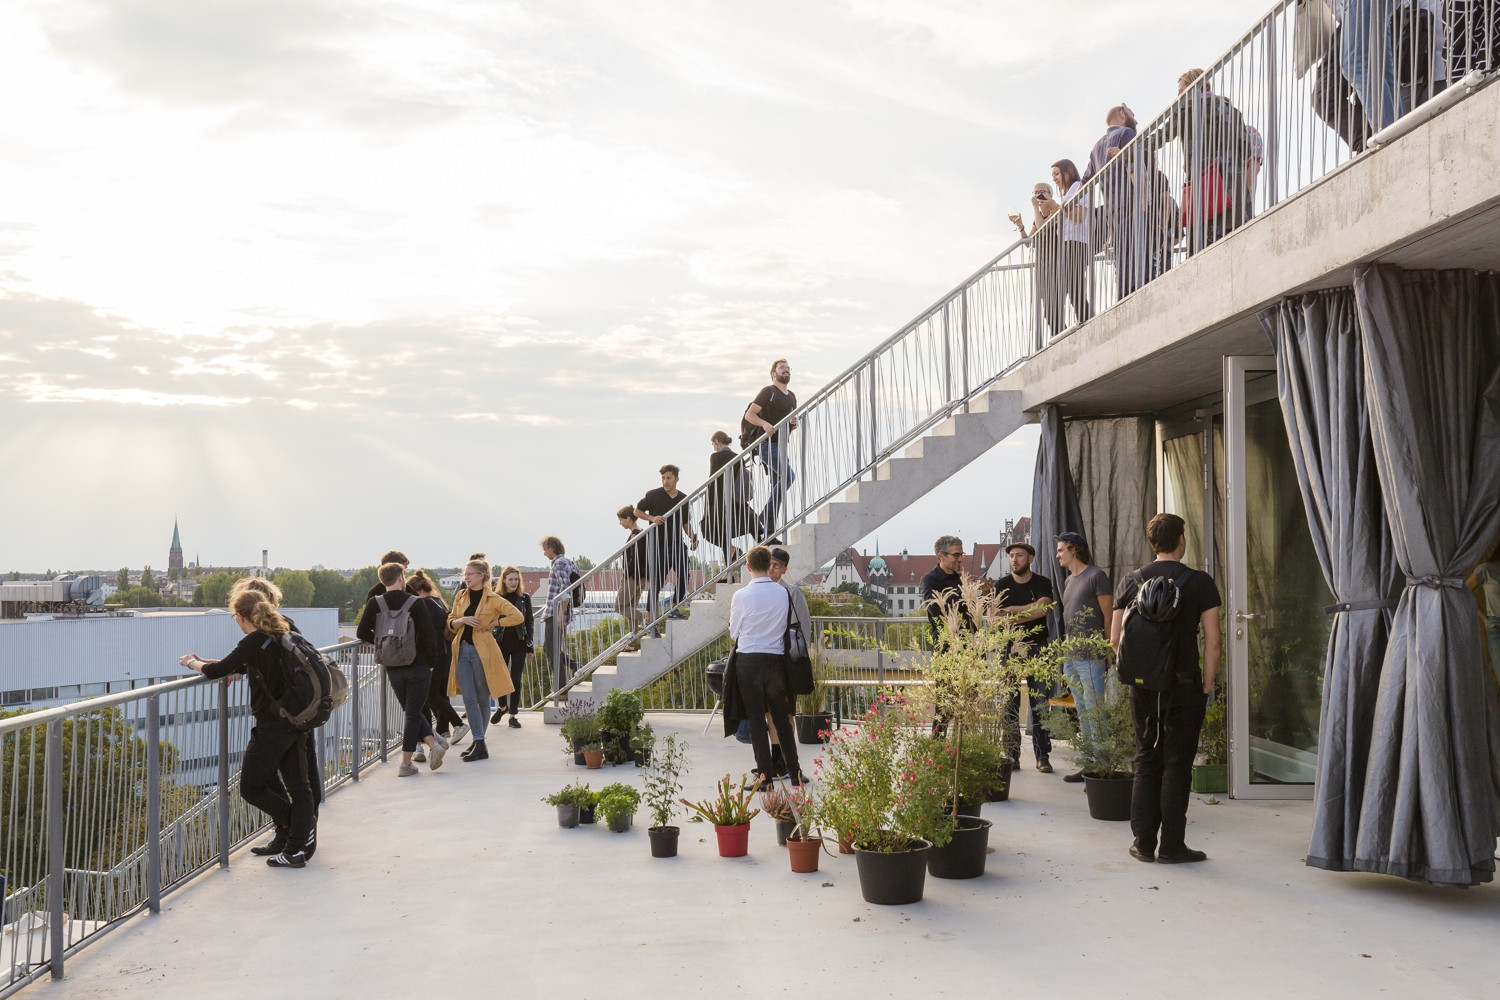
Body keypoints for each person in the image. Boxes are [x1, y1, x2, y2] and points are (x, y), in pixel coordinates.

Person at [1111, 513, 1222, 864]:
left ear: (1152, 542)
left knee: (1146, 757)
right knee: (1178, 762)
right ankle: (1172, 846)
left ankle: (1143, 843)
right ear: (1181, 541)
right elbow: (1214, 642)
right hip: (1185, 684)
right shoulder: (1200, 582)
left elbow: (1115, 640)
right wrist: (1206, 683)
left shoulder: (1130, 581)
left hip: (1144, 687)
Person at [179, 590, 315, 869]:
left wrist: (191, 662)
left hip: (272, 724)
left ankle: (296, 828)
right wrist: (209, 662)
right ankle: (295, 849)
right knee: (300, 787)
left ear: (241, 616)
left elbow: (218, 670)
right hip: (296, 720)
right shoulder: (280, 633)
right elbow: (235, 664)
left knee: (251, 787)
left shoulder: (253, 640)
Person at [227, 576, 323, 856]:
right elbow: (261, 663)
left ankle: (300, 836)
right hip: (292, 716)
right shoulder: (275, 629)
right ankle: (291, 837)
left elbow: (272, 664)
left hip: (285, 718)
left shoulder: (275, 629)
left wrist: (202, 664)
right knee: (291, 781)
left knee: (300, 783)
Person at [356, 562, 449, 776]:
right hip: (418, 665)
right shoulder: (415, 602)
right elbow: (428, 635)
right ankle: (406, 763)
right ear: (401, 578)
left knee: (410, 710)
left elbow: (362, 632)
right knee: (413, 713)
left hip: (392, 666)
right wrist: (431, 662)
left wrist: (380, 642)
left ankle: (433, 744)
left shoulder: (375, 602)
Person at [727, 546, 802, 787]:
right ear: (769, 564)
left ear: (748, 567)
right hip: (776, 661)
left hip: (749, 661)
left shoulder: (741, 596)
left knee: (757, 721)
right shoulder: (783, 593)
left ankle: (764, 778)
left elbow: (734, 632)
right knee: (781, 720)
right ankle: (795, 774)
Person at [445, 554, 524, 762]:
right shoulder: (461, 595)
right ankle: (478, 741)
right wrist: (462, 620)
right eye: (465, 574)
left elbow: (518, 616)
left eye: (470, 574)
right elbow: (451, 620)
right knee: (468, 698)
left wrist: (496, 623)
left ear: (481, 576)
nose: (466, 577)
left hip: (483, 651)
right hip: (461, 650)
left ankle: (479, 742)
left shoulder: (493, 598)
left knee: (482, 698)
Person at [1165, 69, 1254, 252]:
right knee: (1240, 250)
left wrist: (1130, 153)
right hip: (1235, 195)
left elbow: (1162, 136)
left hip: (1203, 192)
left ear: (1193, 88)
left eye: (1181, 92)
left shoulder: (1185, 111)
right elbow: (1246, 152)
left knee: (1202, 251)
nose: (1179, 98)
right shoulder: (1232, 111)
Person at [993, 542, 1058, 773]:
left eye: (1019, 555)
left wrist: (1012, 611)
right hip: (1009, 649)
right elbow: (996, 618)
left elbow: (1043, 609)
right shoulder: (1001, 585)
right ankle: (1012, 755)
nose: (1014, 559)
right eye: (1011, 556)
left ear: (1030, 558)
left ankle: (1042, 756)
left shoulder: (1042, 582)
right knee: (1009, 704)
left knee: (1040, 702)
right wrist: (1028, 612)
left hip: (1038, 648)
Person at [1056, 530, 1114, 783]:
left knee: (1094, 711)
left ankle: (1102, 768)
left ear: (1074, 549)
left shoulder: (1096, 576)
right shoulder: (1069, 581)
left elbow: (1109, 616)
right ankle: (1090, 764)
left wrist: (1108, 649)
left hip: (1091, 657)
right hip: (1071, 657)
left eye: (1061, 550)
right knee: (1082, 711)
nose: (1057, 555)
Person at [1080, 105, 1142, 299]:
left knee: (1122, 252)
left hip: (1111, 208)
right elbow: (1132, 166)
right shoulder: (1127, 133)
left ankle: (1123, 293)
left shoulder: (1096, 147)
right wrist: (1142, 197)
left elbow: (1085, 182)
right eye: (1132, 114)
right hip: (1130, 201)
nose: (1135, 119)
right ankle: (1135, 290)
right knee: (1135, 248)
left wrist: (1069, 202)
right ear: (1122, 114)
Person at [407, 570, 467, 749]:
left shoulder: (422, 605)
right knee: (441, 693)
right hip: (445, 653)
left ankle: (458, 724)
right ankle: (443, 730)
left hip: (432, 655)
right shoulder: (438, 601)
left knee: (430, 695)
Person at [741, 360, 798, 541]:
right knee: (788, 477)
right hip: (766, 444)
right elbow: (750, 415)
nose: (786, 370)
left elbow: (790, 423)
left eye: (788, 367)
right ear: (773, 374)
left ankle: (769, 532)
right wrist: (764, 424)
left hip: (781, 446)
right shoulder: (768, 392)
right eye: (782, 368)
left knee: (777, 487)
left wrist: (793, 424)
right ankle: (765, 515)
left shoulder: (792, 396)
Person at [634, 465, 699, 621]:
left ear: (676, 479)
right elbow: (637, 511)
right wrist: (652, 518)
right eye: (663, 478)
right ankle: (650, 618)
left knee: (684, 575)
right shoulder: (653, 495)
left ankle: (674, 608)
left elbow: (685, 523)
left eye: (669, 478)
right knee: (657, 581)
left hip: (677, 544)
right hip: (657, 545)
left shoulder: (683, 499)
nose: (665, 481)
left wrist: (693, 537)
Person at [1009, 182, 1065, 344]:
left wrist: (1035, 208)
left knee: (1054, 305)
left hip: (1055, 263)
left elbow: (1042, 228)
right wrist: (1021, 227)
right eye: (1035, 193)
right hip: (1042, 264)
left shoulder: (1055, 209)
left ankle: (1061, 336)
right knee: (1048, 308)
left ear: (1050, 194)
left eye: (1042, 192)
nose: (1038, 195)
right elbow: (1029, 242)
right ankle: (1059, 336)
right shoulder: (1038, 216)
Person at [701, 431, 756, 570]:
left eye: (713, 444)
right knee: (746, 524)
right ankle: (734, 555)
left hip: (719, 501)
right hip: (736, 500)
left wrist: (708, 504)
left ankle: (731, 553)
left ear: (717, 442)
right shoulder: (738, 457)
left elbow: (712, 480)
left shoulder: (715, 456)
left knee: (707, 529)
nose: (714, 447)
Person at [1051, 159, 1094, 329]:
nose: (1054, 179)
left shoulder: (1078, 186)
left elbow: (1080, 216)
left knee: (1075, 286)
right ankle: (1085, 320)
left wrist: (1058, 207)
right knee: (1072, 287)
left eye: (1057, 174)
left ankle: (1087, 321)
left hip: (1077, 242)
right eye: (1053, 176)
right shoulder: (1069, 192)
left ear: (1068, 171)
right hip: (1069, 243)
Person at [491, 565, 534, 727]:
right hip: (500, 642)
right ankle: (502, 707)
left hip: (519, 643)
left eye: (516, 579)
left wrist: (530, 648)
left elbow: (529, 623)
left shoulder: (524, 598)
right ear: (504, 580)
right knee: (500, 677)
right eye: (510, 579)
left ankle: (513, 715)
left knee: (515, 679)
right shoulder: (496, 597)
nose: (513, 582)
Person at [539, 536, 581, 694]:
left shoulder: (558, 564)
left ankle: (562, 690)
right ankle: (574, 665)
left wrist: (560, 614)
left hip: (555, 613)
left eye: (545, 550)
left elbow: (566, 589)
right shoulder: (569, 562)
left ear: (551, 548)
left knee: (553, 653)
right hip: (557, 612)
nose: (544, 553)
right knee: (549, 648)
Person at [920, 534, 973, 647]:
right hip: (946, 646)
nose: (961, 559)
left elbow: (971, 612)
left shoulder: (961, 579)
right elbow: (934, 608)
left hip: (970, 645)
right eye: (956, 555)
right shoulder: (929, 579)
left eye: (962, 554)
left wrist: (985, 594)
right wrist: (963, 590)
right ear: (941, 556)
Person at [615, 508, 649, 650]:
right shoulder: (642, 532)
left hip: (632, 577)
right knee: (631, 610)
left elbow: (633, 559)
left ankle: (647, 619)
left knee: (619, 606)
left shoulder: (635, 534)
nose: (620, 523)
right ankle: (632, 643)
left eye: (621, 520)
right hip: (641, 578)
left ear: (628, 518)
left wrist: (626, 574)